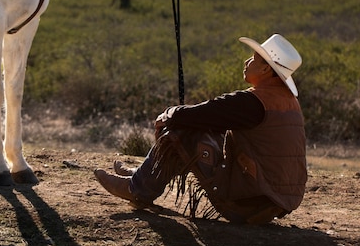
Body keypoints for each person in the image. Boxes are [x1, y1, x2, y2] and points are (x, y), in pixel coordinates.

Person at [94, 33, 307, 225]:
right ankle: (145, 174)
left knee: (183, 130)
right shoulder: (287, 101)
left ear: (265, 69)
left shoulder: (254, 103)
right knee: (199, 126)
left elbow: (202, 113)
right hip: (271, 198)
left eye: (253, 58)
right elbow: (215, 112)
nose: (246, 61)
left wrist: (169, 114)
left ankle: (137, 189)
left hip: (249, 198)